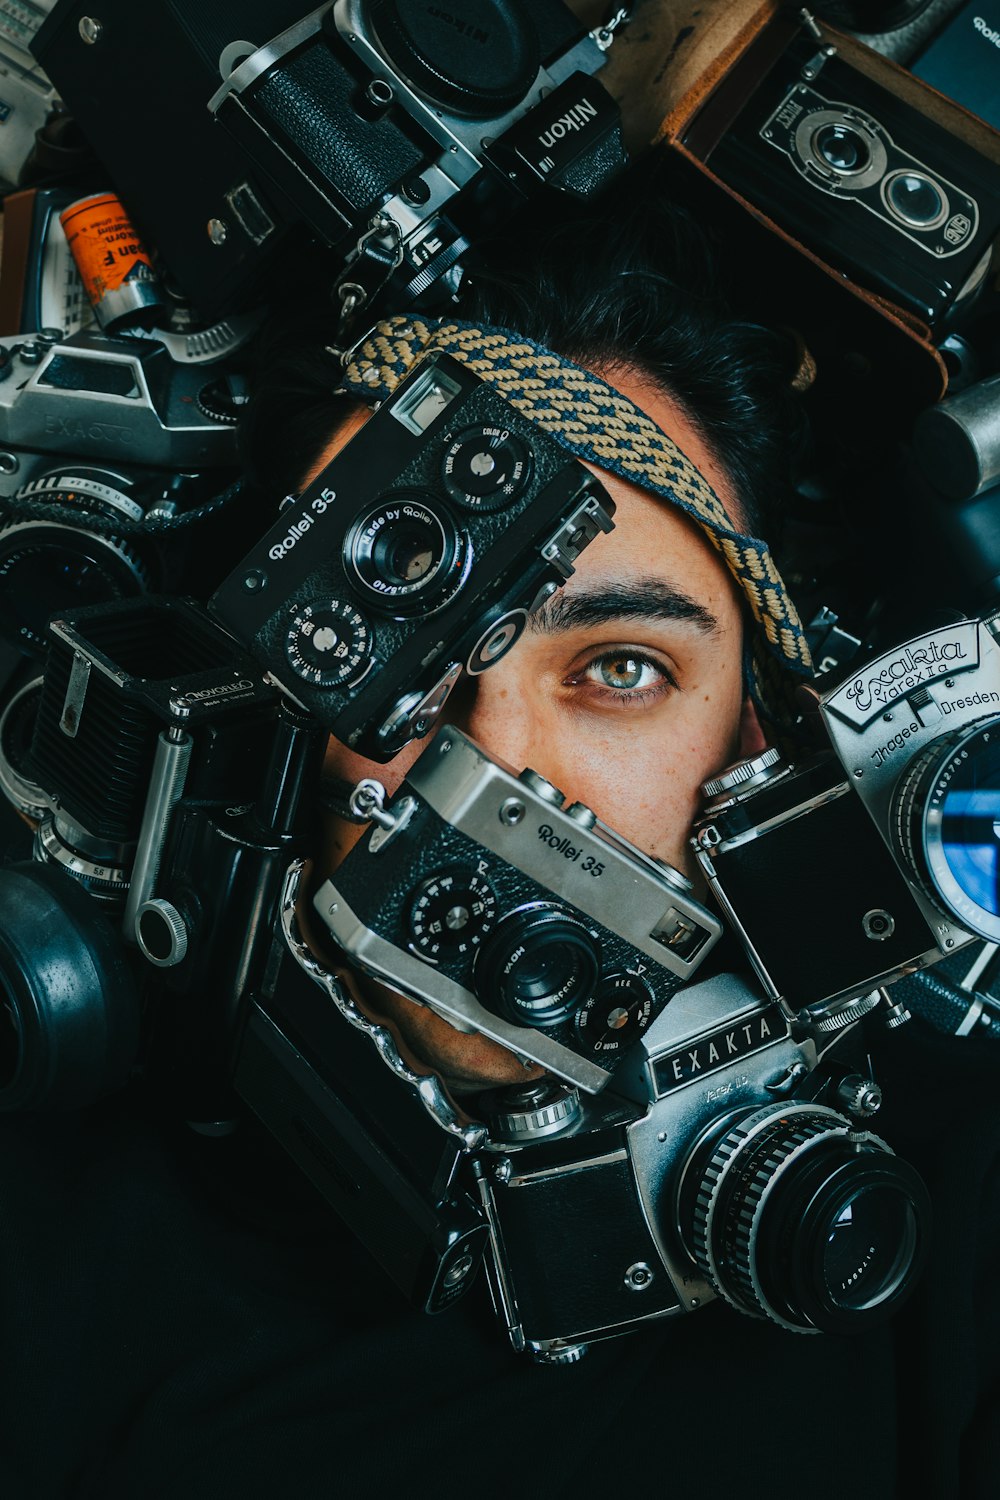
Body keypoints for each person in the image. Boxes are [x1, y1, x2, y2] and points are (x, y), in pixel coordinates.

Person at [0, 158, 991, 1500]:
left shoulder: (954, 1221)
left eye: (622, 669)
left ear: (758, 745)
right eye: (399, 661)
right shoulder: (51, 1258)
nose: (502, 766)